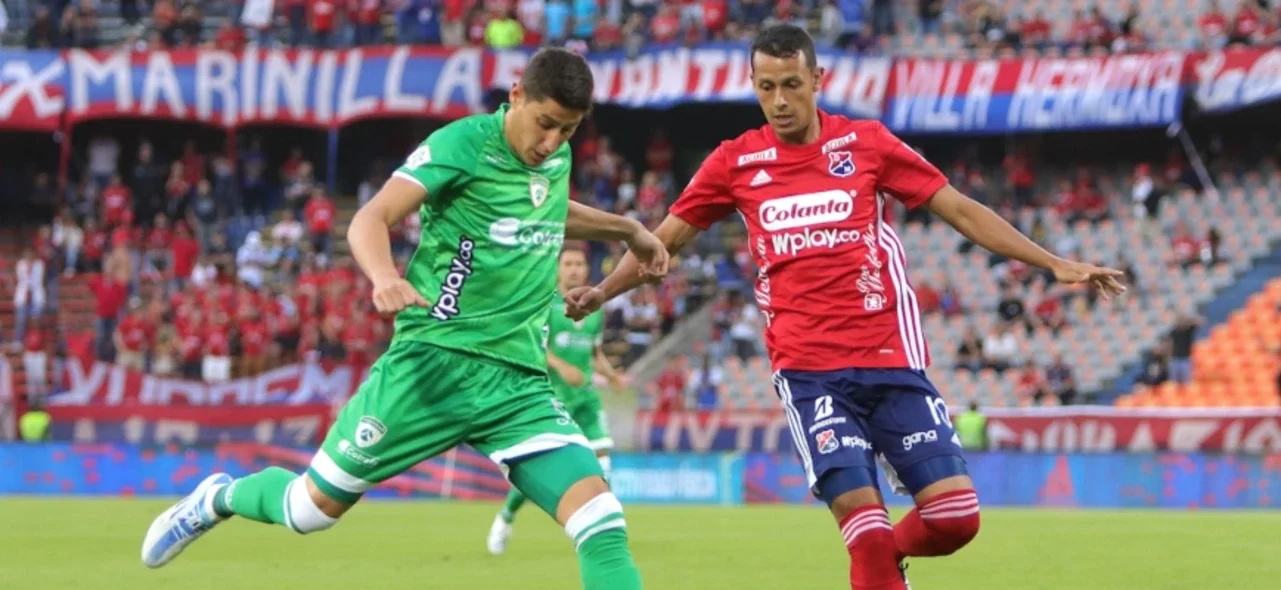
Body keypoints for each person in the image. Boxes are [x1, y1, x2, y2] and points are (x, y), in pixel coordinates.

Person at [565, 24, 1125, 590]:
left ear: (817, 79)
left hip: (890, 360)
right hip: (810, 373)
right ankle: (878, 561)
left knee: (955, 519)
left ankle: (884, 562)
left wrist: (1050, 261)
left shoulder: (866, 144)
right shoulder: (735, 162)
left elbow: (958, 208)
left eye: (791, 84)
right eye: (766, 87)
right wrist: (602, 291)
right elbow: (665, 242)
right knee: (868, 532)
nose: (779, 101)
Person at [141, 48, 669, 590]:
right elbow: (372, 218)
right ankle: (218, 497)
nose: (554, 142)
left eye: (569, 130)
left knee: (601, 519)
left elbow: (548, 207)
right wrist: (384, 276)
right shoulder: (460, 145)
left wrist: (626, 229)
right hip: (429, 369)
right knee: (309, 510)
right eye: (546, 124)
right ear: (516, 96)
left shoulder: (553, 160)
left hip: (516, 384)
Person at [487, 245, 627, 555]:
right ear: (559, 269)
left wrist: (612, 375)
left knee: (602, 462)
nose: (575, 269)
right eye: (569, 263)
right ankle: (506, 517)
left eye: (579, 263)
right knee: (541, 469)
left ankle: (605, 530)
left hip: (586, 399)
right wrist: (562, 366)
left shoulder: (594, 307)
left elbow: (594, 351)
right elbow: (532, 347)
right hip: (553, 398)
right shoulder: (545, 305)